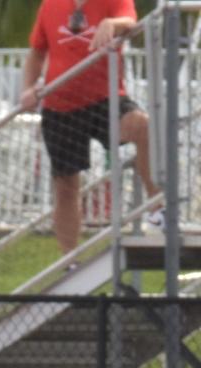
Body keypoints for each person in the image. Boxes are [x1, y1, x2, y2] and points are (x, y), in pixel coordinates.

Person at [20, 0, 162, 255]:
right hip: (59, 104)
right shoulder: (51, 5)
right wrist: (29, 88)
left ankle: (156, 208)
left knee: (143, 126)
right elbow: (37, 51)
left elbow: (130, 22)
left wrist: (111, 24)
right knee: (66, 185)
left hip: (104, 98)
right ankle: (70, 260)